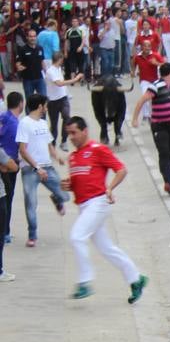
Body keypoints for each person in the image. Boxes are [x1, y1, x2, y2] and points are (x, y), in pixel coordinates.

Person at [56, 116, 148, 303]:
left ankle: (84, 282)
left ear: (84, 131)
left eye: (74, 132)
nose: (71, 137)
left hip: (97, 203)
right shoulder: (73, 158)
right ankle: (136, 278)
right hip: (84, 205)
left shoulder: (98, 150)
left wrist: (110, 188)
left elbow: (121, 169)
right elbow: (79, 182)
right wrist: (68, 185)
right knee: (106, 248)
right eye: (68, 134)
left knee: (77, 236)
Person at [16, 93, 67, 247]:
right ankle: (32, 235)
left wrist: (56, 156)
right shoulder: (24, 123)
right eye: (45, 105)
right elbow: (23, 150)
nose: (46, 107)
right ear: (40, 106)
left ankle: (57, 199)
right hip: (30, 170)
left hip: (47, 167)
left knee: (64, 194)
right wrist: (37, 168)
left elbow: (49, 143)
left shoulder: (43, 124)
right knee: (31, 203)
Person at [131, 62, 170, 195]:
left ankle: (168, 165)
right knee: (164, 153)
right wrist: (134, 119)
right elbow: (142, 100)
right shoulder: (154, 87)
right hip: (159, 125)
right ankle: (168, 182)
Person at [44, 52, 81, 147]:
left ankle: (64, 140)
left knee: (67, 117)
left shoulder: (59, 69)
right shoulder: (50, 71)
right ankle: (53, 143)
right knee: (54, 123)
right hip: (53, 100)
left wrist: (67, 94)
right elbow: (59, 83)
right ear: (60, 59)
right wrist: (74, 79)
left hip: (63, 98)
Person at [0, 91, 19, 248]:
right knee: (7, 199)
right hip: (8, 165)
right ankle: (5, 232)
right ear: (21, 104)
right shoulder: (15, 123)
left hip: (4, 162)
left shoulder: (3, 117)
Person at [15, 28, 46, 101]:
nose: (33, 38)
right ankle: (29, 113)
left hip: (40, 78)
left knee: (43, 99)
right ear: (27, 37)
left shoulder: (40, 48)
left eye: (34, 36)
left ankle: (42, 113)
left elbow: (42, 62)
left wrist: (46, 73)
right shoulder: (22, 49)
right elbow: (18, 64)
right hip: (28, 80)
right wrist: (19, 67)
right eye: (30, 36)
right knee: (29, 101)